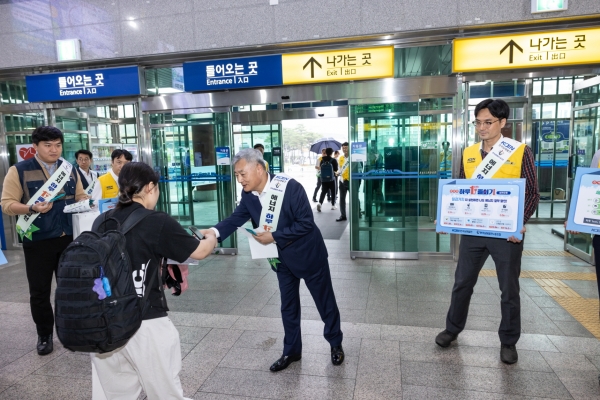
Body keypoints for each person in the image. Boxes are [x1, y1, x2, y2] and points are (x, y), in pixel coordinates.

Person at [200, 149, 344, 372]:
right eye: (237, 175)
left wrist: (274, 236)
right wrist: (213, 232)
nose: (240, 180)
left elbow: (306, 223)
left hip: (309, 255)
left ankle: (335, 344)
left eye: (242, 174)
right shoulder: (249, 195)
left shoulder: (290, 187)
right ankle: (292, 350)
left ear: (259, 168)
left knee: (324, 303)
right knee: (288, 306)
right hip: (281, 260)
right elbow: (235, 218)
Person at [90, 162, 217, 400]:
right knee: (165, 392)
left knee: (114, 393)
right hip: (145, 320)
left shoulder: (102, 220)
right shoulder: (157, 220)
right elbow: (199, 251)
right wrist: (212, 237)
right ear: (150, 187)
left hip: (105, 319)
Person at [435, 99, 540, 365]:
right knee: (462, 283)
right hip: (474, 232)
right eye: (478, 122)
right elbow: (459, 190)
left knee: (509, 289)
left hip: (507, 235)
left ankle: (508, 341)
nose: (482, 127)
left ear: (502, 123)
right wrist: (449, 218)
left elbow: (532, 194)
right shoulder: (469, 153)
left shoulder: (519, 151)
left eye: (488, 122)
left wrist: (520, 223)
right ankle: (452, 329)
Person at [1, 126, 88, 355]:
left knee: (69, 288)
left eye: (57, 145)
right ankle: (44, 335)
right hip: (38, 240)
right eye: (48, 145)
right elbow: (7, 204)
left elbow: (80, 195)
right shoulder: (18, 170)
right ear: (35, 147)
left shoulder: (69, 169)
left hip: (68, 238)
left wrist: (87, 200)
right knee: (39, 292)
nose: (54, 149)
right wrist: (31, 207)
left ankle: (71, 331)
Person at [316, 148, 338, 212]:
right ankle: (333, 205)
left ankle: (320, 203)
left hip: (324, 179)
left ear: (326, 152)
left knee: (323, 192)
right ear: (331, 153)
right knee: (333, 192)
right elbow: (336, 169)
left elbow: (321, 168)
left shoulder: (322, 160)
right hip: (332, 179)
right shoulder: (333, 160)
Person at [336, 142, 350, 221]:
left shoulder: (352, 157)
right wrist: (337, 172)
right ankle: (343, 215)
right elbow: (339, 169)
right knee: (342, 199)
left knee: (354, 198)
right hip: (342, 181)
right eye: (343, 148)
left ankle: (357, 213)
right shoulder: (340, 158)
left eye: (346, 148)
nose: (344, 149)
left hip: (351, 181)